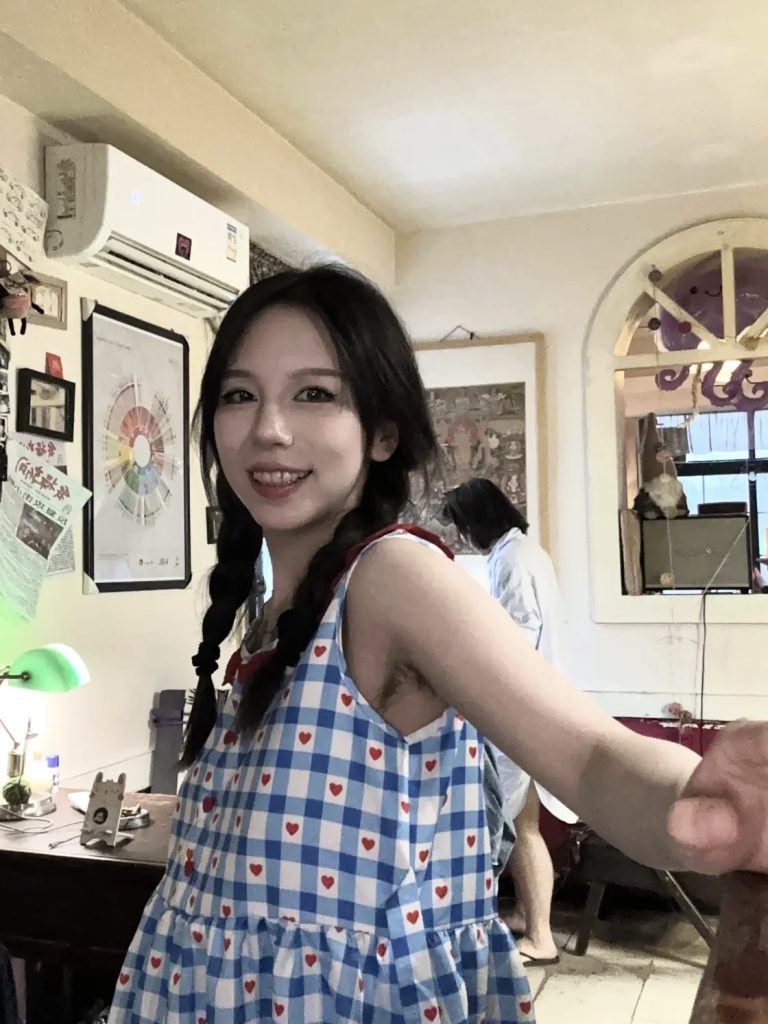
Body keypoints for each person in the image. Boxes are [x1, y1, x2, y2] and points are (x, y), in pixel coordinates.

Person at [110, 265, 768, 1024]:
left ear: (383, 433)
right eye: (238, 394)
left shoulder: (392, 577)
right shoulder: (276, 613)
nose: (269, 429)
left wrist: (705, 803)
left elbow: (590, 755)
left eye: (314, 394)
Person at [442, 478, 572, 967]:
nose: (463, 538)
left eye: (462, 527)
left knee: (512, 824)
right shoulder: (525, 552)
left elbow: (516, 635)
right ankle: (526, 916)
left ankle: (539, 936)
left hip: (522, 707)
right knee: (523, 822)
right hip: (539, 702)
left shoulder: (511, 559)